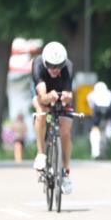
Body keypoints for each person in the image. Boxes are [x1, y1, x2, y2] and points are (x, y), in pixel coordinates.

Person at [31, 41, 75, 194]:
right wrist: (49, 97)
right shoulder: (38, 65)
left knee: (65, 131)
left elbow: (69, 93)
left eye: (59, 66)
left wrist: (66, 98)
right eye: (51, 66)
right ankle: (41, 153)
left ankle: (66, 171)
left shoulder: (68, 66)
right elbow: (42, 96)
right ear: (45, 63)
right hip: (43, 92)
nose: (55, 70)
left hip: (61, 91)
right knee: (41, 112)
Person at [86, 81, 111, 159]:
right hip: (108, 111)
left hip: (97, 111)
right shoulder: (110, 94)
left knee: (95, 128)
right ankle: (109, 136)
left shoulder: (92, 95)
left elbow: (91, 105)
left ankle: (95, 151)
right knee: (108, 123)